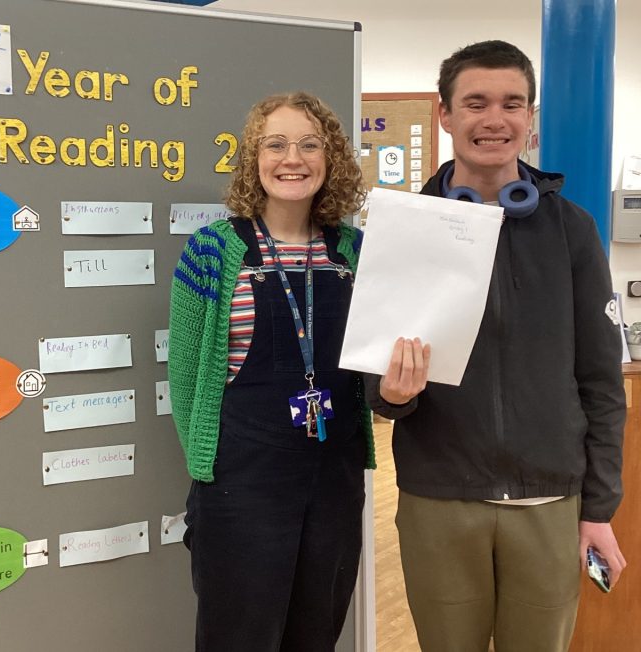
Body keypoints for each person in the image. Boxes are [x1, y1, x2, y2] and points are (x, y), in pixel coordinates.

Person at [366, 40, 627, 652]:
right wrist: (393, 395)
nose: (495, 120)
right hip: (440, 499)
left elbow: (600, 382)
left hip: (550, 501)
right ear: (445, 114)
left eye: (513, 103)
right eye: (475, 102)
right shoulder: (406, 227)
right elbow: (372, 385)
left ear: (530, 118)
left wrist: (599, 507)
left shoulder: (573, 230)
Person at [169, 91, 372, 652]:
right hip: (242, 481)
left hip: (334, 477)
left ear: (330, 160)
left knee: (317, 632)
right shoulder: (212, 251)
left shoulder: (355, 250)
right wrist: (207, 466)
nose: (293, 158)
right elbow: (185, 380)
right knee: (238, 636)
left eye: (310, 145)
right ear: (253, 159)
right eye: (275, 144)